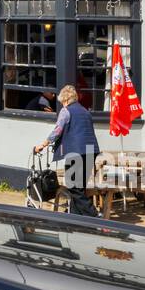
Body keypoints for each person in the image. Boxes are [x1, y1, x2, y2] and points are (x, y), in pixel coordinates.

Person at [34, 84, 101, 217]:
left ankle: (94, 216)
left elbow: (57, 130)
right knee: (79, 187)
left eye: (61, 102)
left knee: (73, 186)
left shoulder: (66, 111)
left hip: (76, 151)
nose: (62, 105)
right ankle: (75, 217)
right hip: (91, 150)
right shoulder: (85, 111)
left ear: (65, 100)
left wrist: (43, 144)